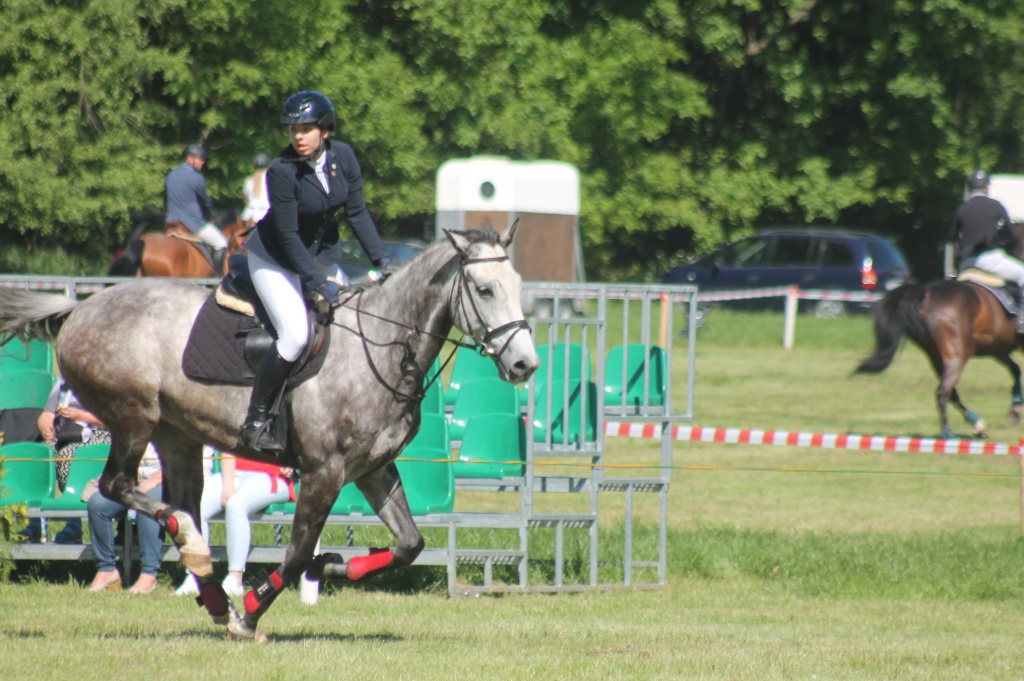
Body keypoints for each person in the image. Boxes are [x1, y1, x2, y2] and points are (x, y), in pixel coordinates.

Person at [239, 90, 391, 453]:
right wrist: (319, 283)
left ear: (325, 130)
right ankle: (257, 421)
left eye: (306, 128)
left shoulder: (345, 157)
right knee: (295, 336)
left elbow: (357, 213)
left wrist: (382, 260)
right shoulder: (281, 170)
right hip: (275, 259)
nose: (298, 136)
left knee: (353, 325)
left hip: (319, 256)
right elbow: (289, 236)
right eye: (293, 129)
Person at [175, 451, 295, 596]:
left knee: (236, 505)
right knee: (196, 506)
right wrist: (228, 485)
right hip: (234, 472)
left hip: (273, 475)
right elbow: (227, 446)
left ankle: (235, 579)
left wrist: (290, 461)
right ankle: (196, 576)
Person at [18, 379, 111, 544]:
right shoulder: (64, 383)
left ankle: (73, 524)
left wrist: (81, 416)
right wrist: (46, 428)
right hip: (64, 434)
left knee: (69, 454)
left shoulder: (104, 379)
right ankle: (35, 521)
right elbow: (47, 415)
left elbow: (114, 419)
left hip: (98, 434)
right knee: (38, 456)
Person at [87, 443, 164, 594]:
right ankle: (106, 569)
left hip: (168, 482)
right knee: (97, 504)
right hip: (134, 482)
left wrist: (153, 481)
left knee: (146, 502)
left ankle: (149, 573)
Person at [947, 169, 1024, 286]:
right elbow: (1013, 235)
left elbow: (951, 237)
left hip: (967, 262)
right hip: (990, 260)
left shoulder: (962, 208)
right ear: (986, 188)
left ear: (969, 189)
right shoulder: (995, 205)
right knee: (1022, 274)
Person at [165, 142, 228, 266]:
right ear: (190, 158)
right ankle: (217, 277)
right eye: (200, 159)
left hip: (171, 222)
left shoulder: (171, 175)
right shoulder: (197, 177)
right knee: (221, 242)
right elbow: (205, 202)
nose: (202, 162)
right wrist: (211, 215)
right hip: (192, 223)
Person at [241, 152, 272, 226]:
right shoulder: (273, 179)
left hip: (248, 215)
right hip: (265, 215)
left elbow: (245, 199)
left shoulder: (248, 180)